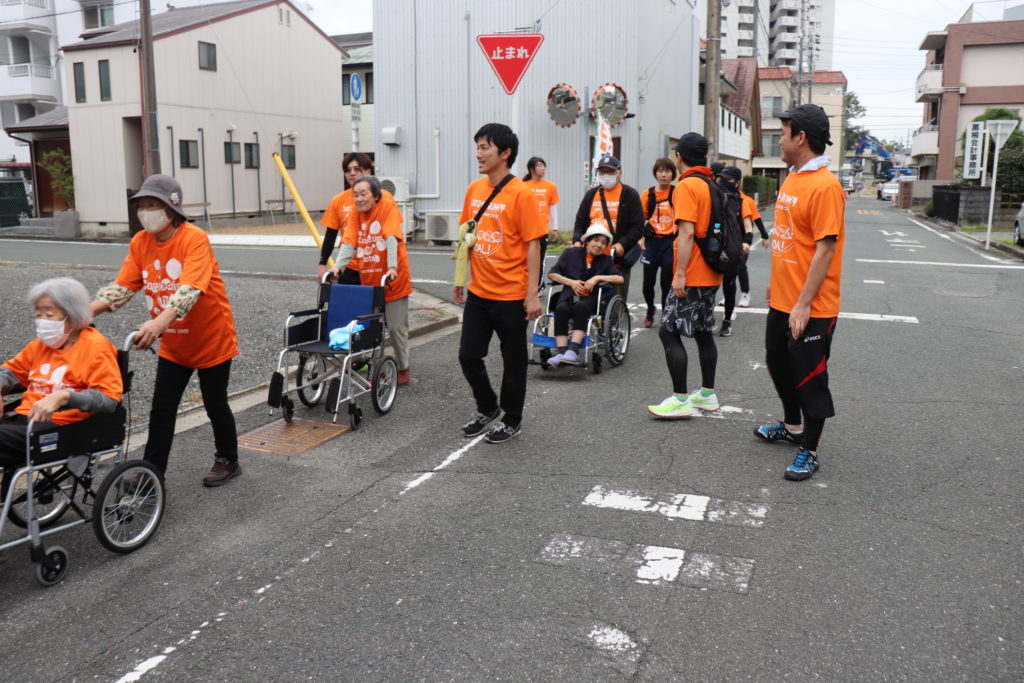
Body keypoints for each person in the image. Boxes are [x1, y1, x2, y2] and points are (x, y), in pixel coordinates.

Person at [91, 174, 241, 487]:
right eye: (141, 205)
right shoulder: (140, 242)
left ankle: (228, 459)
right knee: (162, 408)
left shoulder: (193, 238)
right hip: (174, 345)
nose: (145, 212)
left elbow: (189, 290)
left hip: (211, 339)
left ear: (171, 209)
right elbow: (123, 287)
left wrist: (158, 323)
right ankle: (151, 472)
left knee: (215, 404)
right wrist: (82, 313)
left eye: (152, 205)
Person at [753, 104, 845, 482]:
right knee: (777, 362)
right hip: (783, 299)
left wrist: (804, 303)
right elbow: (790, 241)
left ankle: (810, 449)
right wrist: (777, 285)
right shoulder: (793, 178)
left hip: (812, 307)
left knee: (810, 378)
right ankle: (792, 427)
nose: (779, 140)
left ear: (801, 137)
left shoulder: (825, 186)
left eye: (783, 132)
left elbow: (824, 250)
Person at [454, 123, 546, 444]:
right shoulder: (474, 190)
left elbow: (534, 244)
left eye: (485, 148)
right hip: (479, 291)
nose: (478, 154)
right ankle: (488, 407)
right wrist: (460, 278)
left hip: (512, 295)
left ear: (505, 153)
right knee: (468, 356)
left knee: (513, 361)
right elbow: (467, 235)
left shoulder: (521, 193)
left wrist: (532, 294)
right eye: (477, 147)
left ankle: (512, 418)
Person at [1, 278, 122, 495]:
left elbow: (108, 399)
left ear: (73, 315)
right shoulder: (40, 346)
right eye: (38, 314)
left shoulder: (96, 348)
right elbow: (11, 372)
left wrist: (64, 397)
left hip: (61, 428)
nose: (42, 322)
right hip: (27, 420)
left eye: (49, 315)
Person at [647, 133, 722, 419]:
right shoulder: (712, 185)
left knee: (668, 330)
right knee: (703, 331)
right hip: (712, 271)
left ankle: (680, 399)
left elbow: (687, 232)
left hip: (692, 274)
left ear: (680, 157)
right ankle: (707, 394)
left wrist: (679, 275)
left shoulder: (687, 186)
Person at [329, 175, 414, 386]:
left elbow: (391, 237)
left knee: (395, 328)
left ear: (375, 196)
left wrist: (392, 266)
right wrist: (338, 267)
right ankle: (377, 368)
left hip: (393, 279)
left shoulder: (387, 207)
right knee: (370, 328)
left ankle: (403, 368)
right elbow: (349, 243)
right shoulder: (355, 215)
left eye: (363, 194)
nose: (359, 199)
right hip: (370, 281)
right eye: (355, 195)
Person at [544, 223, 623, 366]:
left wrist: (597, 278)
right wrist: (570, 282)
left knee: (580, 307)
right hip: (570, 294)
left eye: (603, 243)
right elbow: (552, 274)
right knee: (561, 309)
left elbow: (619, 279)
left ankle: (573, 351)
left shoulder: (606, 260)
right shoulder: (570, 254)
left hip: (592, 298)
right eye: (596, 240)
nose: (599, 245)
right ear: (587, 241)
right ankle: (561, 352)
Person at [572, 154, 644, 301]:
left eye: (610, 172)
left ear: (619, 173)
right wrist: (577, 240)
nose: (606, 175)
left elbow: (638, 226)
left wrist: (622, 243)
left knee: (615, 299)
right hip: (590, 257)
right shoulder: (591, 194)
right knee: (586, 300)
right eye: (602, 172)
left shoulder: (629, 195)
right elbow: (580, 222)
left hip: (615, 258)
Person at [318, 152, 389, 285]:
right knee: (347, 296)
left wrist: (393, 266)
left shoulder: (383, 197)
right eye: (347, 170)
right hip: (349, 265)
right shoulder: (338, 200)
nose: (352, 173)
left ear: (368, 172)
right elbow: (330, 235)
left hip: (376, 265)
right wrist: (322, 264)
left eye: (357, 169)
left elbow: (391, 234)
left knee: (375, 298)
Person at [639, 158, 678, 328]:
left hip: (670, 243)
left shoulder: (676, 193)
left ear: (673, 174)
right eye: (660, 171)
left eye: (667, 171)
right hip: (652, 243)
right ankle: (650, 308)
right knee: (647, 283)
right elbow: (639, 219)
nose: (664, 175)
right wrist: (641, 238)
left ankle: (666, 316)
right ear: (655, 173)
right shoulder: (647, 194)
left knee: (666, 283)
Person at [716, 166, 754, 337]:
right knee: (710, 285)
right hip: (716, 247)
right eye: (721, 179)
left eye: (727, 180)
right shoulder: (715, 196)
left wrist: (747, 242)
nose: (723, 182)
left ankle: (727, 321)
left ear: (737, 182)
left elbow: (748, 225)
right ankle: (707, 318)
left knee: (729, 285)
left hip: (734, 248)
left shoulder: (742, 201)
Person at [522, 156, 560, 287]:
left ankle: (537, 287)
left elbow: (553, 208)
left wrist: (555, 228)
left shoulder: (550, 186)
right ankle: (525, 285)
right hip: (525, 230)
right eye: (539, 165)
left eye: (544, 166)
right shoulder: (523, 186)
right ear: (531, 169)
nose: (543, 168)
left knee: (540, 260)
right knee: (524, 260)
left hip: (541, 231)